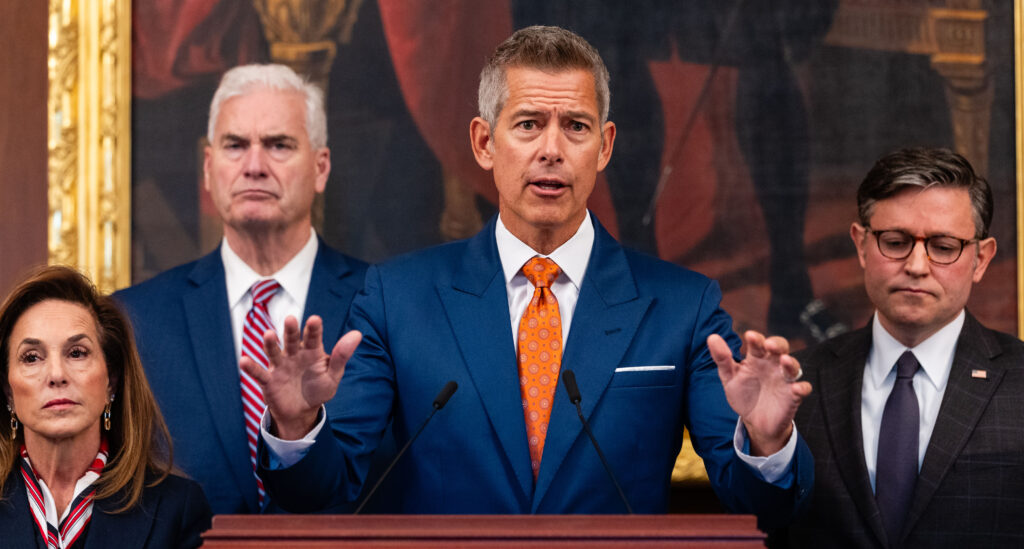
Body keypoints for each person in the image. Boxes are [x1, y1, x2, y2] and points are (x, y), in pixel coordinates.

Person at [250, 26, 812, 525]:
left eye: (575, 126)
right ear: (484, 143)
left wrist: (767, 442)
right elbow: (321, 490)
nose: (551, 150)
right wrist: (297, 429)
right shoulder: (399, 299)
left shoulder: (682, 306)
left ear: (605, 147)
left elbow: (761, 505)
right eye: (527, 124)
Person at [114, 64, 368, 514]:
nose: (254, 165)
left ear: (320, 167)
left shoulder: (380, 304)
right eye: (236, 146)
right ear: (209, 169)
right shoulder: (135, 320)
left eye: (278, 145)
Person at [776, 148, 1024, 547]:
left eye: (944, 247)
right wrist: (764, 444)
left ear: (981, 259)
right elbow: (768, 523)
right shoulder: (798, 383)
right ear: (861, 245)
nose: (917, 265)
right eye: (895, 242)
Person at [0, 266, 211, 548]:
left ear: (111, 381)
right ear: (8, 390)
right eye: (31, 357)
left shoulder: (175, 509)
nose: (56, 374)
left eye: (77, 353)